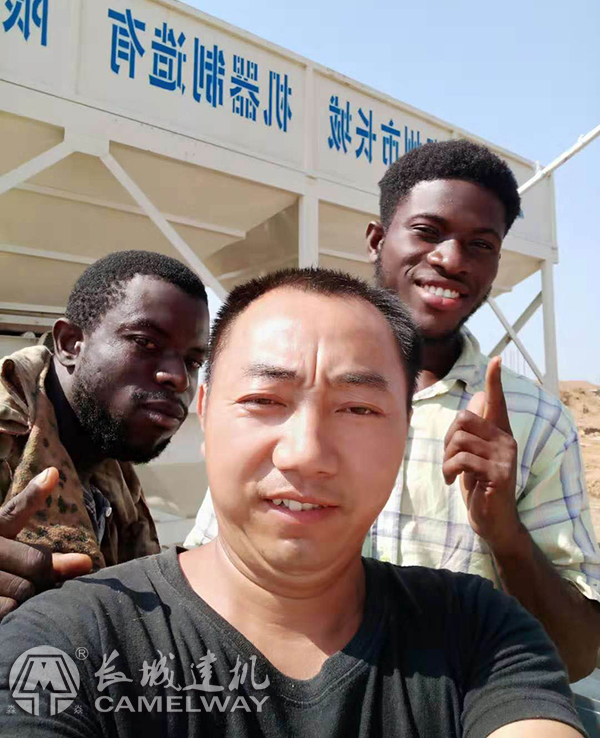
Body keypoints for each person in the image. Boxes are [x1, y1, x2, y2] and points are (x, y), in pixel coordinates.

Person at [0, 268, 585, 737]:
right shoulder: (67, 638)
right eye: (264, 399)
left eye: (358, 409)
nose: (306, 454)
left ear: (406, 430)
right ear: (205, 412)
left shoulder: (479, 632)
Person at [187, 140, 600, 682]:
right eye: (428, 232)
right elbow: (205, 582)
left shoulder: (535, 422)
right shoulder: (280, 400)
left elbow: (577, 655)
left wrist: (504, 532)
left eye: (480, 244)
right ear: (377, 241)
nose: (452, 259)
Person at [0, 250, 209, 619]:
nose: (179, 378)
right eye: (146, 343)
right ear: (70, 344)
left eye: (192, 361)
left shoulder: (112, 466)